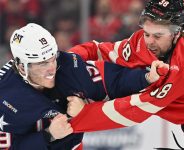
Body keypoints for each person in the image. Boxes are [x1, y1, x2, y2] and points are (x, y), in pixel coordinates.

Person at [67, 0, 184, 150]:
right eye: (147, 33)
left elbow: (136, 110)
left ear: (176, 33)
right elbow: (99, 51)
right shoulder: (142, 40)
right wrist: (64, 60)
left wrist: (82, 115)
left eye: (158, 36)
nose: (150, 42)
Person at [0, 23, 167, 150]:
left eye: (52, 58)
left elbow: (112, 81)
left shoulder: (68, 67)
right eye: (43, 63)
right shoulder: (5, 97)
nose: (51, 68)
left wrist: (146, 77)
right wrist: (49, 135)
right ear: (22, 67)